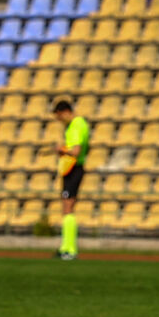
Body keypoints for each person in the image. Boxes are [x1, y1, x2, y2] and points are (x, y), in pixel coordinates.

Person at [52, 99, 89, 260]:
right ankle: (66, 247)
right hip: (74, 168)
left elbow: (75, 151)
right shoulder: (80, 124)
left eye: (60, 117)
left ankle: (69, 249)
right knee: (67, 207)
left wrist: (62, 149)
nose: (60, 121)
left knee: (68, 207)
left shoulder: (76, 125)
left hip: (74, 168)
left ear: (64, 112)